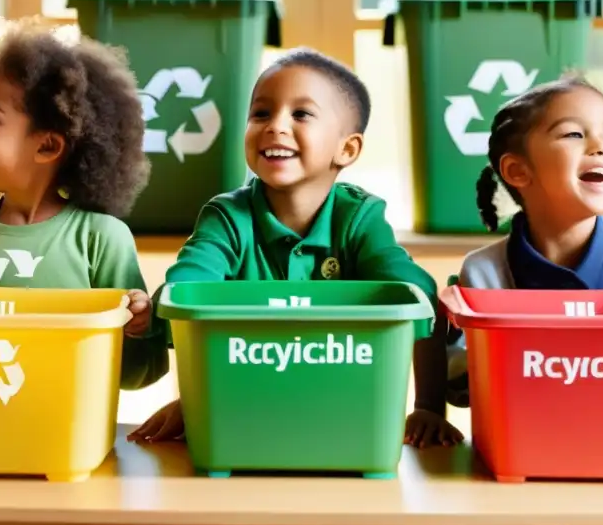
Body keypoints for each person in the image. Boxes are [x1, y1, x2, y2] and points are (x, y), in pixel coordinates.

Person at [129, 47, 439, 442]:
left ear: (347, 149)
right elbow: (187, 291)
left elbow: (420, 297)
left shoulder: (360, 220)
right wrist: (195, 397)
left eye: (301, 114)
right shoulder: (226, 217)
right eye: (260, 113)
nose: (275, 126)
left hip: (341, 416)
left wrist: (428, 407)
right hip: (242, 411)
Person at [406, 75, 603, 448]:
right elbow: (460, 379)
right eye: (574, 135)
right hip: (525, 453)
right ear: (517, 171)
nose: (601, 148)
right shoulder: (483, 271)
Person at [0, 17, 169, 391]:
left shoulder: (101, 239)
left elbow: (138, 375)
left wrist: (139, 329)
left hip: (69, 432)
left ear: (47, 145)